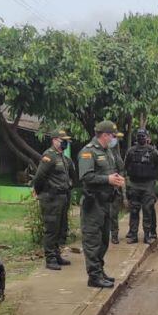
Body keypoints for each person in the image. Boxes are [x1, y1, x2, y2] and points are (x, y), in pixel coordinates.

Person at [77, 120, 125, 288]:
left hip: (106, 203)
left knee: (104, 240)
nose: (115, 139)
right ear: (105, 135)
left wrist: (116, 179)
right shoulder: (88, 152)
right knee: (92, 240)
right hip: (93, 203)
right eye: (113, 136)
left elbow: (111, 173)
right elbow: (86, 177)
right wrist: (108, 179)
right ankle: (94, 277)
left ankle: (100, 271)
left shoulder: (108, 152)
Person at [33, 129, 79, 271]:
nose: (65, 142)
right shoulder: (49, 156)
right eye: (62, 140)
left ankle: (57, 254)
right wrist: (42, 193)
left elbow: (72, 177)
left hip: (63, 197)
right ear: (54, 140)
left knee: (61, 228)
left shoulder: (64, 158)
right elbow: (39, 178)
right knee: (51, 228)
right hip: (51, 198)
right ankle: (50, 258)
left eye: (66, 140)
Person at [123, 128, 158, 245]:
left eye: (143, 136)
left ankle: (147, 235)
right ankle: (133, 235)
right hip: (134, 184)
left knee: (147, 210)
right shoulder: (131, 151)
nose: (141, 138)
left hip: (148, 185)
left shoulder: (153, 152)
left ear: (147, 138)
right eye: (139, 136)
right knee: (134, 211)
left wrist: (153, 177)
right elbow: (126, 166)